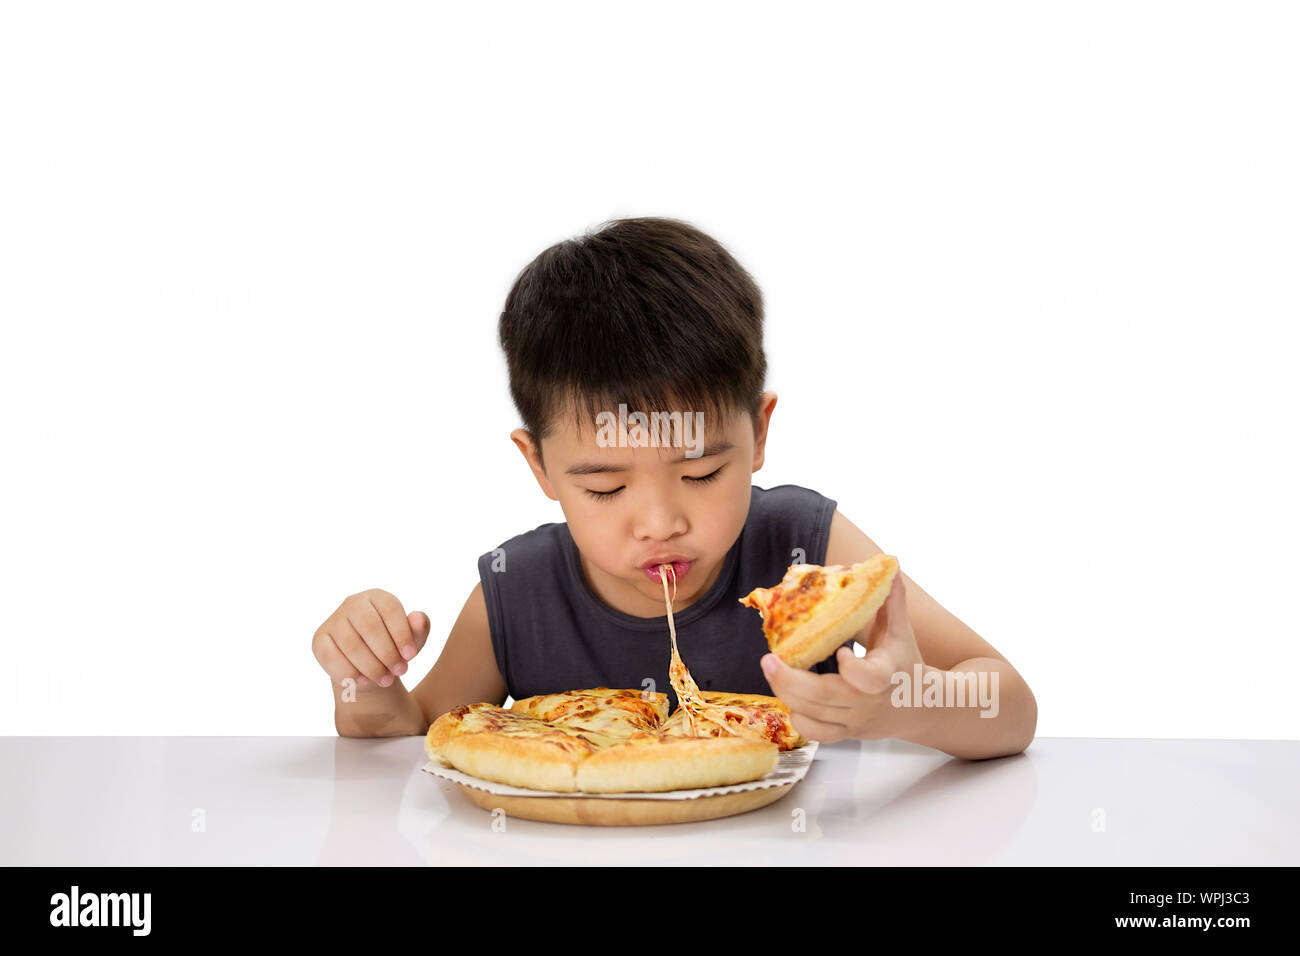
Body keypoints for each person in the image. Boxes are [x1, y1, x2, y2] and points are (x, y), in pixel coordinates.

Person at [311, 217, 1037, 759]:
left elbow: (1010, 705)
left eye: (701, 474)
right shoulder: (518, 589)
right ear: (538, 467)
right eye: (603, 488)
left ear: (758, 433)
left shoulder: (804, 551)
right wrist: (365, 678)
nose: (658, 521)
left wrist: (904, 706)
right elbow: (402, 738)